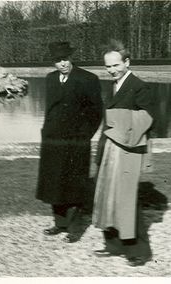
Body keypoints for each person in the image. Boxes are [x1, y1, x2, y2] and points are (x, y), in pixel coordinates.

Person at [92, 39, 154, 267]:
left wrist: (118, 125)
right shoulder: (115, 84)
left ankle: (139, 252)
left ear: (127, 62)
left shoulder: (138, 86)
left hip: (128, 149)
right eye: (108, 66)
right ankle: (114, 245)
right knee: (109, 196)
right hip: (111, 148)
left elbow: (148, 118)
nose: (111, 71)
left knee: (128, 200)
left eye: (116, 65)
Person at [36, 42, 103, 238]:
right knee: (54, 182)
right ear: (53, 62)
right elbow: (50, 111)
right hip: (53, 141)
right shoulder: (50, 79)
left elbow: (96, 112)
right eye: (58, 60)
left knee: (74, 184)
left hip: (76, 142)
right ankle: (60, 223)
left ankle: (74, 229)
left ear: (71, 58)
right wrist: (46, 132)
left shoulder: (88, 79)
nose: (62, 63)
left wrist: (84, 136)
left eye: (65, 58)